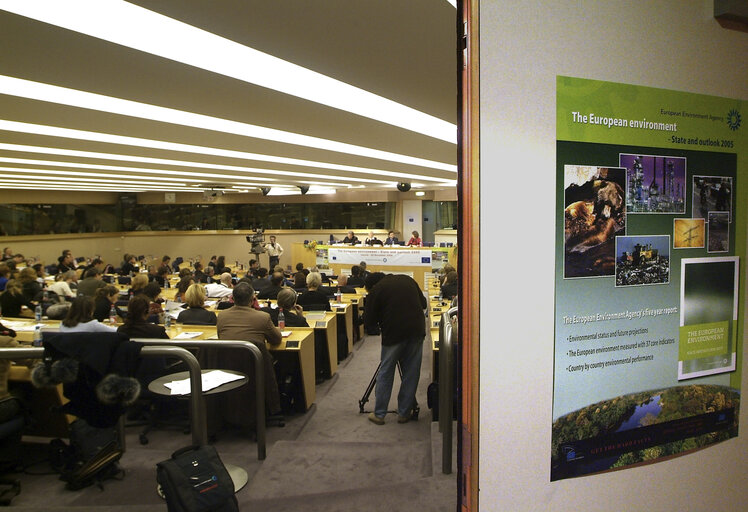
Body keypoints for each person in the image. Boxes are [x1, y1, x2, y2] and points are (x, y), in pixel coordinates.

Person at [364, 272, 427, 425]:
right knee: (411, 372)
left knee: (386, 371)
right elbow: (423, 304)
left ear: (371, 286)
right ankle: (404, 413)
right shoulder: (408, 279)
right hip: (416, 330)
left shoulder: (377, 289)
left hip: (393, 333)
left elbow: (369, 321)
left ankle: (379, 414)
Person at [215, 282, 283, 423]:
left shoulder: (221, 316)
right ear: (253, 300)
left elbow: (220, 337)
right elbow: (276, 340)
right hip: (256, 366)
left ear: (232, 299)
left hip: (227, 367)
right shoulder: (262, 317)